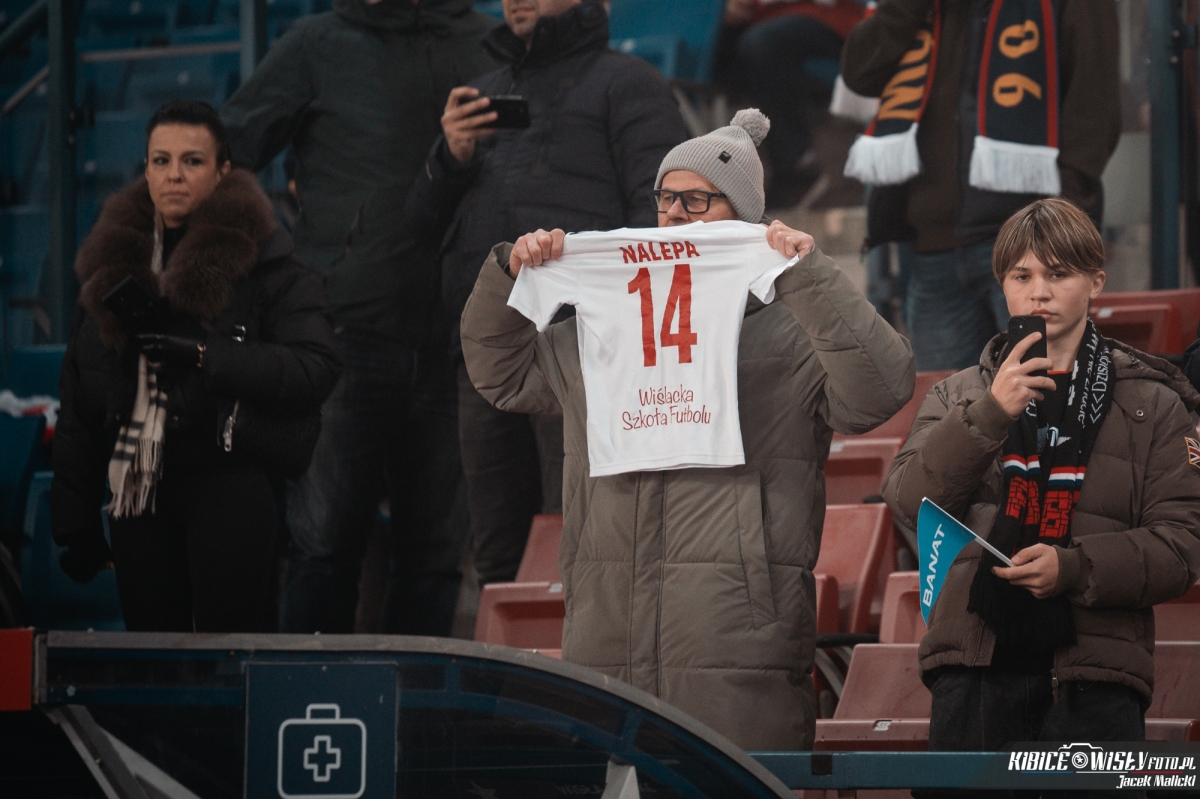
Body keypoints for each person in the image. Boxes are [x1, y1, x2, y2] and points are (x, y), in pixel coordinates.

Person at [458, 110, 915, 751]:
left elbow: (883, 388)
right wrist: (510, 275)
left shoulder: (795, 330)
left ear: (745, 218)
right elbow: (500, 374)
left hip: (738, 650)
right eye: (664, 198)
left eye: (696, 200)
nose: (673, 213)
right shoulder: (608, 323)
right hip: (605, 640)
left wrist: (807, 276)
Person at [882, 198, 1200, 790]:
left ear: (1096, 282)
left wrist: (1074, 568)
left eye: (1058, 274)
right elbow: (907, 500)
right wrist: (989, 414)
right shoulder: (958, 396)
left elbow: (1183, 546)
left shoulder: (1154, 403)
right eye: (1021, 276)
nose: (1039, 294)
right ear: (1001, 285)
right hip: (972, 672)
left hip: (1095, 680)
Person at [220, 0, 500, 635]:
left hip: (461, 339)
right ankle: (307, 697)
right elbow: (224, 152)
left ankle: (416, 703)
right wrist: (279, 265)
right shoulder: (317, 43)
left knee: (435, 562)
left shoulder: (491, 42)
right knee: (322, 549)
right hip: (345, 334)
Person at [404, 0, 688, 589]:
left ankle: (583, 652)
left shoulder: (631, 83)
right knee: (497, 554)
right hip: (487, 349)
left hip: (586, 351)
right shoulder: (483, 91)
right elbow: (419, 228)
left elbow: (662, 221)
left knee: (583, 538)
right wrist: (448, 157)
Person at [51, 101, 341, 632]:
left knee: (230, 656)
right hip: (138, 494)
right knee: (152, 660)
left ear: (223, 171)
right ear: (145, 170)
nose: (174, 176)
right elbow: (81, 395)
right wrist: (74, 519)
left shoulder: (269, 263)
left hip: (231, 482)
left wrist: (208, 355)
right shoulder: (110, 263)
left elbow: (314, 368)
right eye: (160, 161)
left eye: (192, 161)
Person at [841, 0, 1121, 371]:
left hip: (1033, 248)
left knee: (1047, 398)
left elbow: (1094, 109)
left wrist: (1057, 228)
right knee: (949, 403)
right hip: (935, 251)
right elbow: (860, 73)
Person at [719, 0, 867, 209]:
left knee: (762, 43)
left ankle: (797, 166)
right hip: (753, 21)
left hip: (826, 16)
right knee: (701, 49)